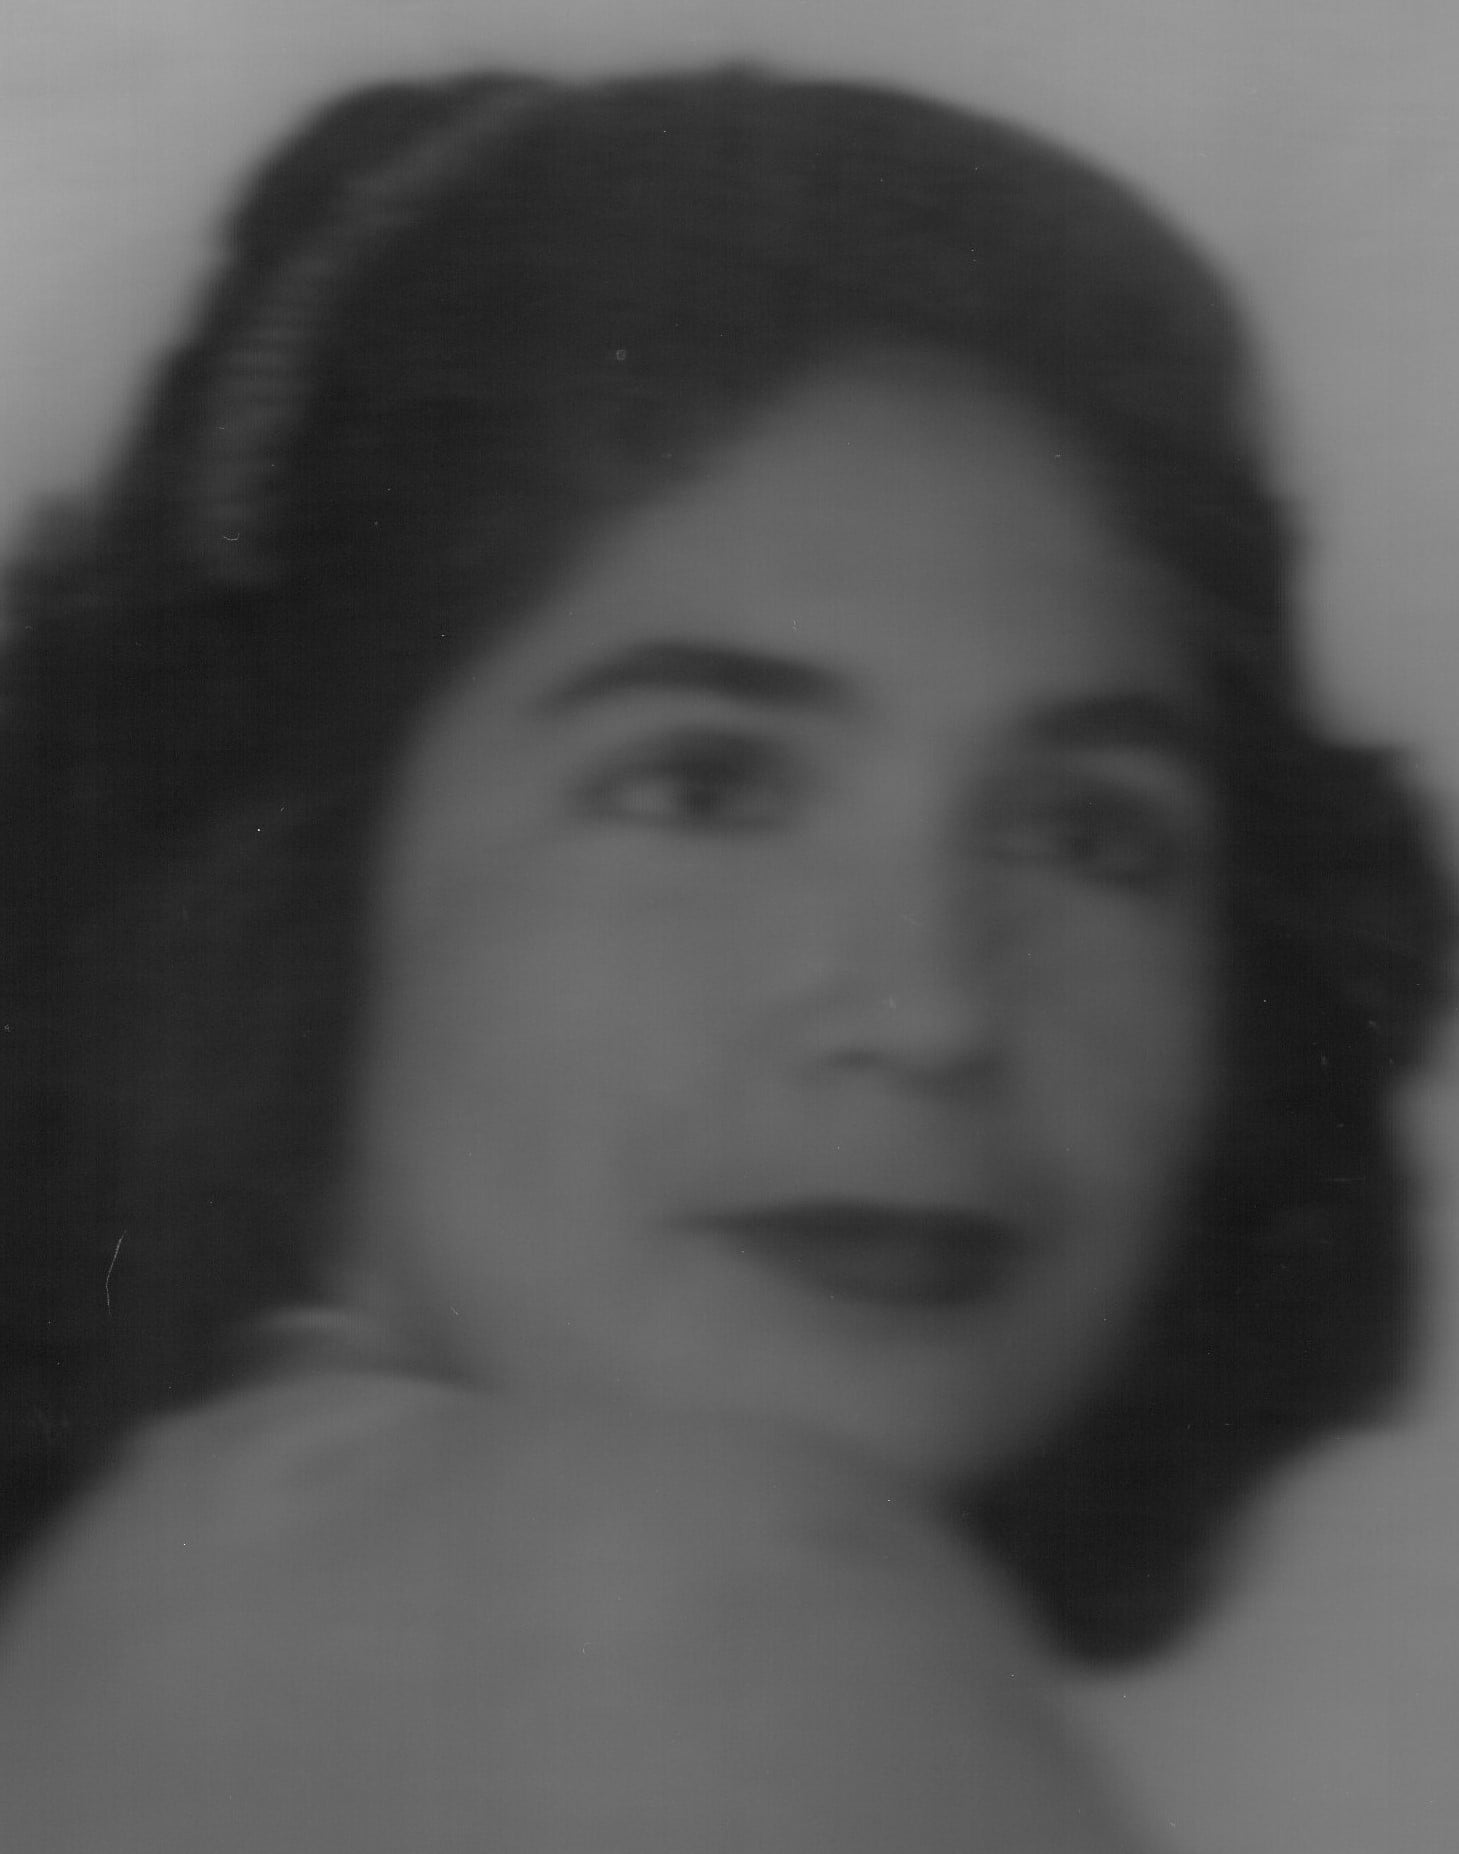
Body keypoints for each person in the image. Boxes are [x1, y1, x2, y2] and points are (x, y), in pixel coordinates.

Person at [0, 63, 1449, 1852]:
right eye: (701, 787)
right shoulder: (685, 1616)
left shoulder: (184, 1606)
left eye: (1088, 833)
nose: (930, 1007)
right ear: (294, 878)